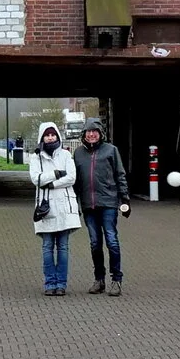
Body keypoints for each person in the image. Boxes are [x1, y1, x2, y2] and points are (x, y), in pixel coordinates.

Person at [71, 120, 131, 296]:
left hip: (108, 203)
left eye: (95, 131)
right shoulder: (78, 154)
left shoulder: (111, 150)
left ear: (100, 133)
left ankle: (116, 279)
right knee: (95, 243)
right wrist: (73, 203)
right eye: (88, 132)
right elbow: (75, 181)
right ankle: (99, 279)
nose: (91, 134)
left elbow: (120, 175)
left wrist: (125, 199)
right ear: (83, 134)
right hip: (88, 205)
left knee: (111, 240)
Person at [28, 122, 80, 296]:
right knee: (47, 247)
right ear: (42, 137)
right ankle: (50, 283)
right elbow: (36, 179)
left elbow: (71, 177)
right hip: (46, 208)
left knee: (63, 247)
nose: (50, 138)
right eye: (47, 135)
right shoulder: (36, 158)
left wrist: (51, 184)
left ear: (57, 136)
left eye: (53, 135)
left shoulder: (65, 155)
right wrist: (57, 174)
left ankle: (61, 284)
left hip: (64, 206)